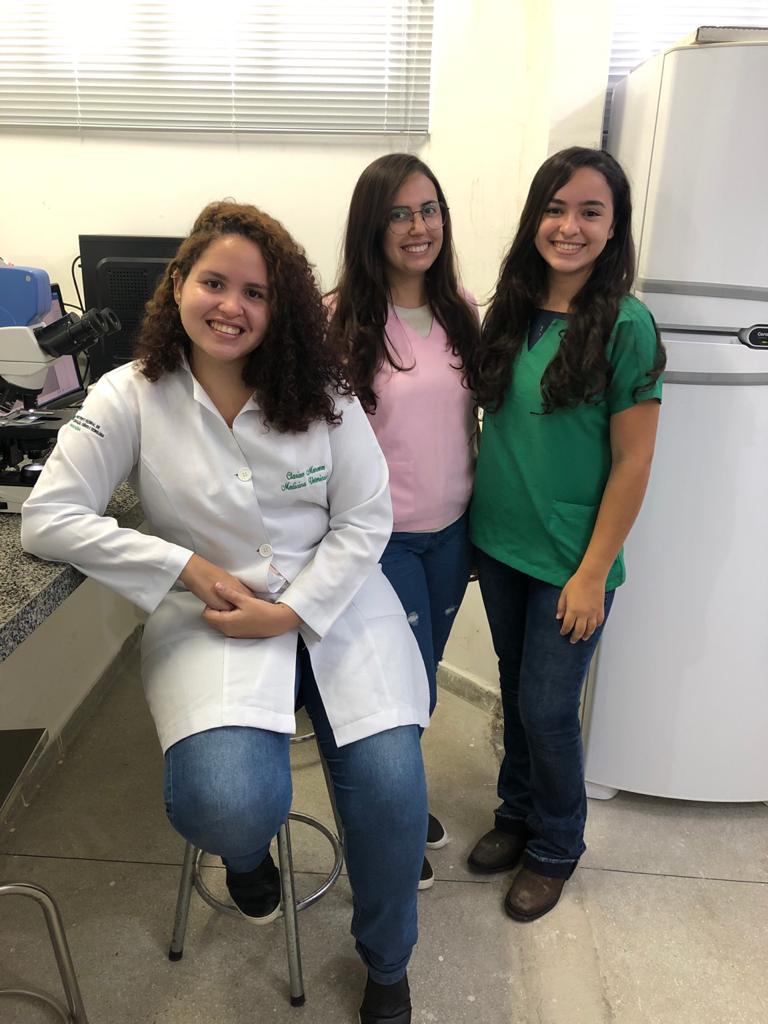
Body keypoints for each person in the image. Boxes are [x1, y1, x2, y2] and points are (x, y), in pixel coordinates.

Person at [21, 200, 430, 1024]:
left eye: (256, 292)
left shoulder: (323, 391)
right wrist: (181, 565)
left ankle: (387, 962)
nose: (231, 306)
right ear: (178, 283)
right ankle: (248, 860)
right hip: (210, 614)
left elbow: (365, 519)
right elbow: (48, 517)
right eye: (214, 282)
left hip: (340, 603)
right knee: (224, 800)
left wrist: (295, 611)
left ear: (281, 309)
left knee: (393, 793)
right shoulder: (130, 394)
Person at [465, 148, 666, 921]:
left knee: (548, 709)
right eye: (555, 208)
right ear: (534, 217)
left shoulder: (627, 325)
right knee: (519, 693)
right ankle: (516, 812)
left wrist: (592, 573)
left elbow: (634, 462)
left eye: (590, 211)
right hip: (500, 544)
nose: (569, 226)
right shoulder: (511, 308)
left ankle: (556, 844)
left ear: (615, 227)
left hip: (572, 561)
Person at [327, 153, 479, 891]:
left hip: (452, 533)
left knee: (422, 685)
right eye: (399, 214)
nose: (419, 227)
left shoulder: (463, 309)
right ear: (372, 226)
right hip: (379, 541)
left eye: (429, 210)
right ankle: (391, 824)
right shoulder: (338, 319)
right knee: (395, 695)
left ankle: (401, 807)